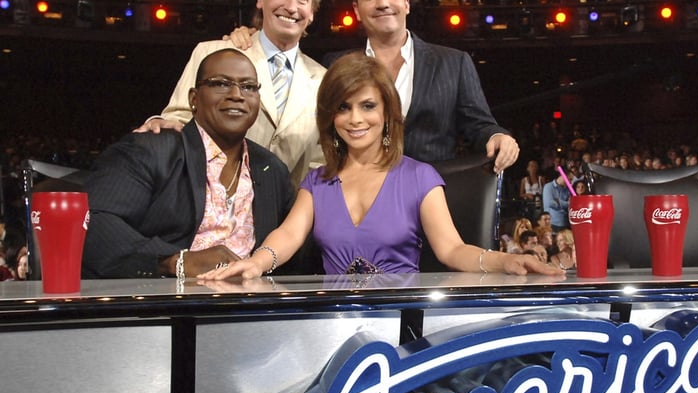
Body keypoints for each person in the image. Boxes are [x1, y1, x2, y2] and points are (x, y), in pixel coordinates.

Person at [198, 53, 561, 279]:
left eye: (367, 106)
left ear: (387, 113)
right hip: (329, 324)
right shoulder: (317, 181)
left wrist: (505, 262)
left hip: (400, 323)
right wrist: (257, 263)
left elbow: (451, 250)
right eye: (343, 107)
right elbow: (288, 236)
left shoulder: (420, 177)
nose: (355, 119)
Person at [227, 0, 519, 173]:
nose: (382, 3)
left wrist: (498, 136)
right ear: (356, 9)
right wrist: (248, 38)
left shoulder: (453, 63)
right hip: (358, 204)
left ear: (406, 2)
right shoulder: (335, 65)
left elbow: (480, 125)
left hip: (433, 204)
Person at [82, 49, 295, 278]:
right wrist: (174, 262)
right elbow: (94, 220)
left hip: (249, 306)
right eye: (221, 83)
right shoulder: (151, 150)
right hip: (164, 305)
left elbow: (296, 240)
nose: (237, 94)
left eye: (248, 87)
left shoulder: (271, 169)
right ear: (194, 98)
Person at [135, 0, 327, 186]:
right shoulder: (211, 53)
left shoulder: (324, 80)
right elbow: (177, 119)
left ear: (313, 12)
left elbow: (320, 162)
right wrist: (159, 124)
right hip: (206, 206)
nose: (290, 6)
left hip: (285, 215)